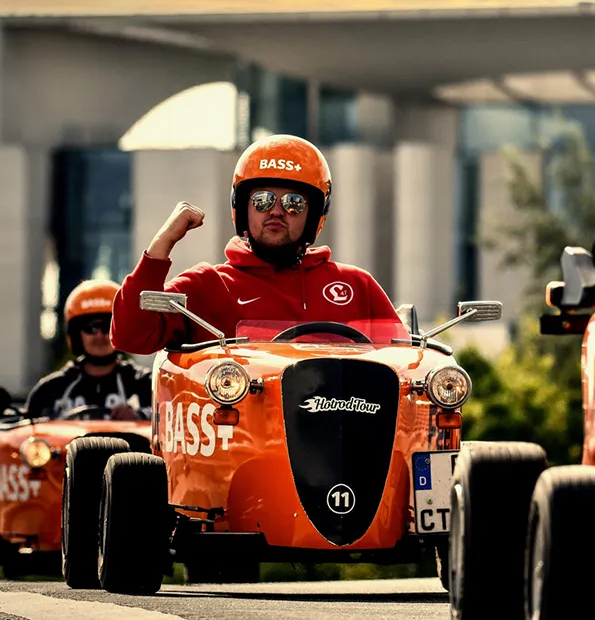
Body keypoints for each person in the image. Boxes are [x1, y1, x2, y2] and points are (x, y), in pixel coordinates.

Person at [111, 134, 401, 353]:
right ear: (242, 207)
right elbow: (130, 336)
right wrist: (163, 243)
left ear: (315, 216)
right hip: (235, 432)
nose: (276, 211)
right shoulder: (206, 285)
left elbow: (408, 363)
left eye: (294, 203)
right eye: (262, 200)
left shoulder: (356, 286)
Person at [25, 279, 152, 420]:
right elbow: (24, 432)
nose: (99, 336)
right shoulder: (50, 389)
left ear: (122, 330)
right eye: (90, 328)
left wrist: (139, 416)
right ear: (76, 335)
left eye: (107, 327)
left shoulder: (146, 384)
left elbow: (174, 420)